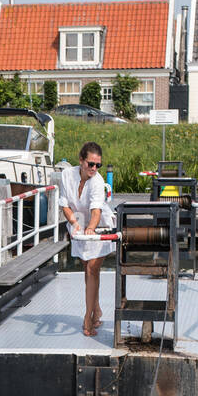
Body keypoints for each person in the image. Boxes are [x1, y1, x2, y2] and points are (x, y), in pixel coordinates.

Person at [60, 141, 115, 337]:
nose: (94, 168)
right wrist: (75, 224)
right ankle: (97, 309)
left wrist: (91, 229)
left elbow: (96, 211)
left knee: (93, 268)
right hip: (78, 223)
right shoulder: (67, 175)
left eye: (97, 165)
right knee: (86, 268)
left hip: (99, 225)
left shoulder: (98, 182)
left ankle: (88, 317)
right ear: (81, 160)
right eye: (90, 164)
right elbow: (65, 204)